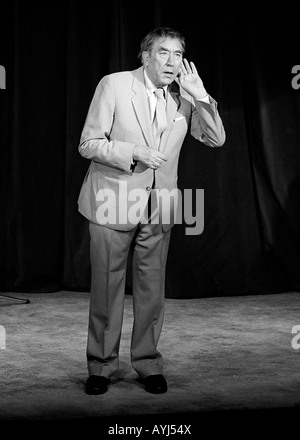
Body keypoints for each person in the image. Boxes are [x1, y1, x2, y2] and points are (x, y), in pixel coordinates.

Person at [77, 26, 225, 395]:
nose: (173, 62)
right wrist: (134, 153)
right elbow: (88, 143)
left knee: (151, 289)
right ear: (145, 56)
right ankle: (101, 366)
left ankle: (146, 362)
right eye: (164, 53)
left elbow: (215, 138)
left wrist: (201, 95)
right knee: (107, 287)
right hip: (114, 199)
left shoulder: (184, 97)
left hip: (161, 204)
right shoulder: (113, 85)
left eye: (178, 54)